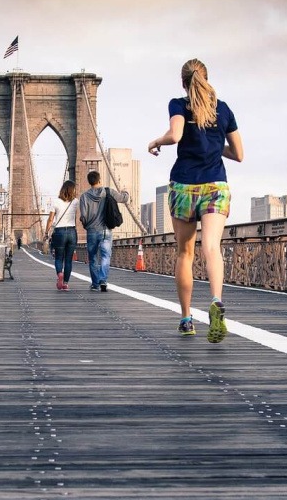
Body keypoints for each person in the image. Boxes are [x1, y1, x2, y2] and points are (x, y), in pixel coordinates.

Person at [148, 58, 243, 342]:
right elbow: (238, 154)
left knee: (185, 254)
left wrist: (156, 142)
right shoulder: (223, 109)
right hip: (215, 185)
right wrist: (213, 145)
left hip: (184, 185)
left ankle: (187, 318)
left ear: (183, 82)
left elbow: (176, 134)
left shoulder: (178, 104)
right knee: (212, 247)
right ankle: (216, 300)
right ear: (206, 78)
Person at [77, 170, 129, 293]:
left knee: (93, 258)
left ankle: (95, 284)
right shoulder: (108, 191)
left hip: (91, 231)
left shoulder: (84, 197)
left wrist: (87, 225)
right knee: (105, 256)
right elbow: (124, 198)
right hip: (106, 231)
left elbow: (83, 216)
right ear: (99, 180)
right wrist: (125, 191)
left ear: (89, 182)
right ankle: (103, 280)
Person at [44, 179, 79, 291]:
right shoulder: (75, 202)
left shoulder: (56, 202)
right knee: (68, 260)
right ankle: (65, 284)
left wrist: (46, 233)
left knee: (59, 258)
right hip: (72, 232)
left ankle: (60, 273)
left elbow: (50, 219)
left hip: (59, 232)